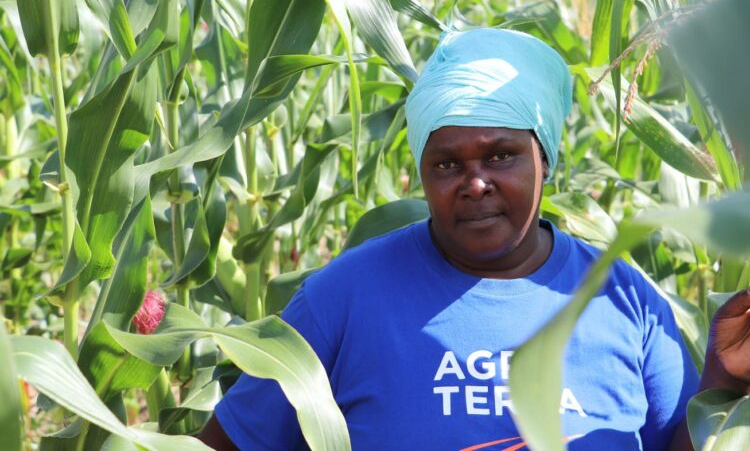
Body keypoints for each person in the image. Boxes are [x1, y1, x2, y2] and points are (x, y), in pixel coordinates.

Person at [200, 28, 750, 450]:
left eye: (500, 155)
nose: (475, 183)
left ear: (546, 159)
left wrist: (726, 381)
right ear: (423, 174)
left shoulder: (625, 300)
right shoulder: (342, 300)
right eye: (446, 163)